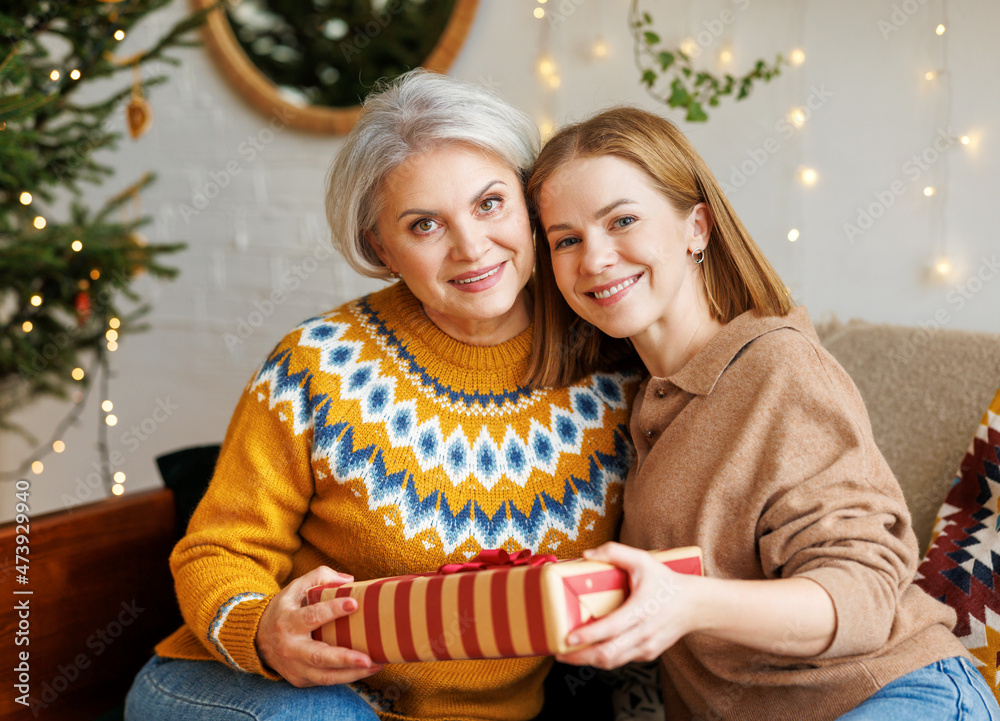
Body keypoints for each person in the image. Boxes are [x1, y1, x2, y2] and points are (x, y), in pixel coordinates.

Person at [124, 71, 640, 721]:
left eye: (489, 204)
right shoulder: (318, 365)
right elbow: (218, 549)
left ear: (531, 204)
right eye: (425, 224)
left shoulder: (611, 366)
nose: (472, 246)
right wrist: (261, 631)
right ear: (382, 249)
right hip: (265, 690)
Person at [526, 106, 1000, 721]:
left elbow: (863, 595)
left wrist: (687, 602)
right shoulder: (632, 400)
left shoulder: (778, 368)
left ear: (697, 227)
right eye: (567, 239)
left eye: (622, 220)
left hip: (895, 695)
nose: (594, 259)